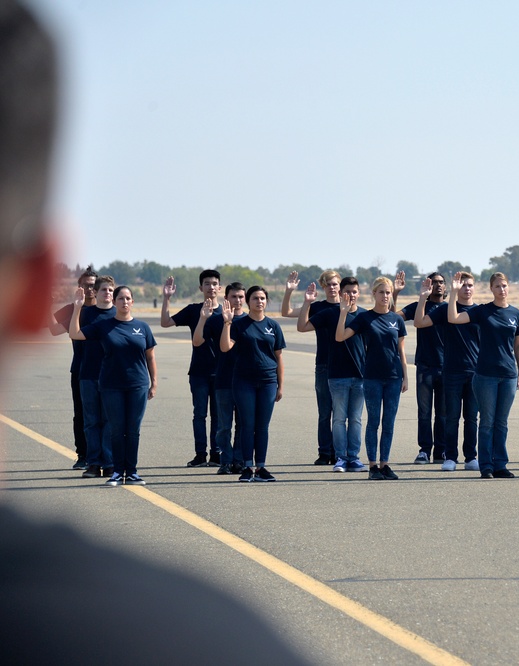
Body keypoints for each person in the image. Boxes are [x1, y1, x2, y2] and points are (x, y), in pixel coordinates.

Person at [0, 5, 308, 661]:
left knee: (146, 429)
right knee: (117, 426)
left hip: (176, 382)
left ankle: (154, 464)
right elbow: (183, 333)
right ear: (37, 291)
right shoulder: (193, 638)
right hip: (173, 380)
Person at [69, 285, 157, 486]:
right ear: (114, 302)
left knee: (133, 430)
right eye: (121, 299)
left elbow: (150, 356)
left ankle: (132, 472)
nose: (124, 302)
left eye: (128, 299)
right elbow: (75, 334)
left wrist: (154, 383)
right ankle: (117, 471)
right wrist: (77, 308)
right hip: (111, 386)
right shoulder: (104, 326)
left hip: (138, 385)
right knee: (116, 430)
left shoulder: (143, 327)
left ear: (132, 302)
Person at [449, 271, 519, 479]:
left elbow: (518, 346)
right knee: (487, 421)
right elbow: (453, 318)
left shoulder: (515, 314)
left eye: (504, 286)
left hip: (508, 374)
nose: (502, 290)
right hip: (485, 375)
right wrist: (454, 293)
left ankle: (500, 464)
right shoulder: (482, 311)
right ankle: (486, 466)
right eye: (497, 286)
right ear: (491, 289)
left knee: (502, 422)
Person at [338, 276, 408, 480]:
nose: (385, 296)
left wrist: (405, 376)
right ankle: (373, 466)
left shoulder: (397, 320)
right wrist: (343, 313)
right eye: (381, 292)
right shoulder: (365, 318)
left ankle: (385, 463)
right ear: (374, 294)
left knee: (389, 422)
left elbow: (400, 350)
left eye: (388, 292)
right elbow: (340, 336)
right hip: (372, 378)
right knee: (374, 421)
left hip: (394, 377)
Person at [300, 276, 368, 473]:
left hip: (360, 375)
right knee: (338, 418)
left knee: (355, 419)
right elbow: (302, 327)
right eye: (347, 292)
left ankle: (354, 457)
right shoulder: (329, 313)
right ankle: (340, 457)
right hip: (336, 374)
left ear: (359, 293)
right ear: (340, 293)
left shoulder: (364, 315)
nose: (351, 295)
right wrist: (307, 303)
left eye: (355, 292)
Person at [415, 271, 480, 472]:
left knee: (471, 418)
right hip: (451, 372)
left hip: (475, 372)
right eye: (463, 285)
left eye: (470, 285)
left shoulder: (480, 311)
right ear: (456, 287)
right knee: (451, 417)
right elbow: (419, 322)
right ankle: (450, 457)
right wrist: (422, 298)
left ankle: (471, 457)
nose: (467, 289)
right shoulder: (445, 310)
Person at [220, 286, 285, 482]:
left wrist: (280, 386)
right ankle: (247, 467)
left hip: (268, 382)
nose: (259, 302)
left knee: (262, 426)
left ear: (267, 301)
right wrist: (227, 323)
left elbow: (279, 357)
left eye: (263, 298)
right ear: (249, 302)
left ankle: (261, 468)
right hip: (243, 382)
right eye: (255, 298)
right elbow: (225, 347)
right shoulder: (239, 325)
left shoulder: (273, 326)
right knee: (248, 425)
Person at [160, 270, 223, 467]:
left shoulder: (226, 312)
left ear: (219, 287)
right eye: (207, 284)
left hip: (221, 373)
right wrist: (166, 299)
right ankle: (200, 454)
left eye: (214, 284)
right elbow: (165, 322)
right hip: (198, 372)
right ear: (200, 288)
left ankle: (216, 453)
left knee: (218, 416)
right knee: (199, 415)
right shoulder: (193, 310)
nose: (211, 287)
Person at [281, 269, 341, 464]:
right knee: (325, 413)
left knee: (342, 415)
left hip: (345, 367)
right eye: (328, 285)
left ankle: (341, 452)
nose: (332, 288)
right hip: (324, 365)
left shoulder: (350, 307)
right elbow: (287, 313)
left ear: (340, 285)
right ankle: (325, 453)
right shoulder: (317, 307)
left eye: (335, 284)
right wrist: (290, 291)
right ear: (323, 287)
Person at [193, 282, 246, 475]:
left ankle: (239, 460)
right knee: (223, 426)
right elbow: (197, 341)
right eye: (234, 297)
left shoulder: (250, 320)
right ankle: (225, 460)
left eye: (241, 296)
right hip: (223, 380)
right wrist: (202, 318)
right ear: (227, 299)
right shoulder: (216, 320)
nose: (238, 300)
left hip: (245, 382)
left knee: (243, 424)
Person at [49, 264, 98, 468]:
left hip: (105, 370)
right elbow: (53, 330)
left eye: (93, 285)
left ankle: (103, 455)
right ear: (78, 287)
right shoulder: (72, 310)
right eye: (85, 285)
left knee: (104, 415)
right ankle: (83, 455)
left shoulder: (105, 309)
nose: (89, 289)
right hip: (80, 369)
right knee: (81, 414)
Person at [400, 271, 447, 465]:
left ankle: (441, 451)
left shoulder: (449, 308)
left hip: (447, 367)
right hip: (425, 366)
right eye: (433, 282)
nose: (437, 285)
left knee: (443, 413)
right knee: (424, 412)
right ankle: (424, 450)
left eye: (441, 282)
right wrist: (396, 293)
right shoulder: (420, 306)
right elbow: (394, 318)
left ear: (446, 287)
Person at [77, 275, 116, 479]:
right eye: (103, 290)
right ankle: (93, 463)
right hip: (89, 374)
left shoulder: (119, 313)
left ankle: (109, 463)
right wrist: (76, 307)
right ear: (96, 292)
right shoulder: (86, 314)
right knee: (91, 421)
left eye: (110, 290)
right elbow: (73, 333)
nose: (107, 293)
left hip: (111, 376)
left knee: (109, 421)